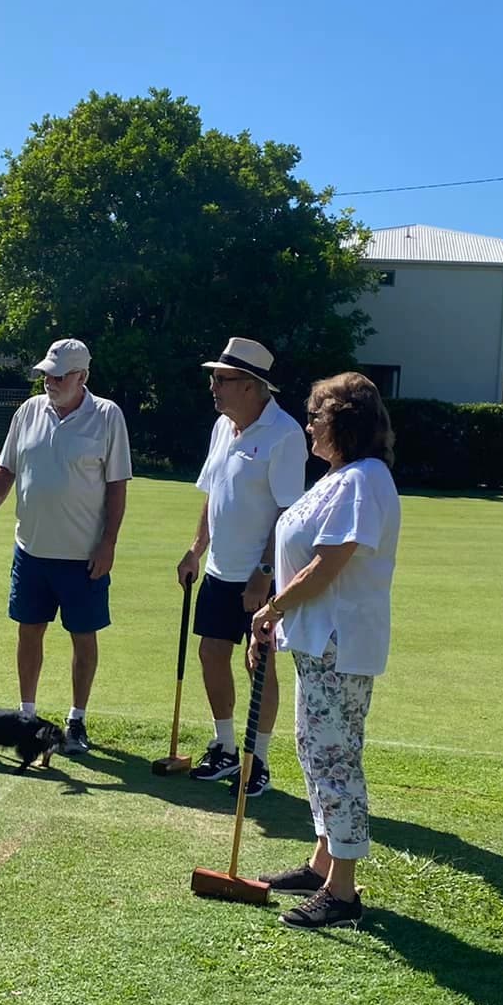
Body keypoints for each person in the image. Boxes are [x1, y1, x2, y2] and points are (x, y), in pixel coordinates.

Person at [248, 372, 401, 930]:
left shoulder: (363, 480)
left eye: (317, 415)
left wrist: (271, 608)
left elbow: (328, 563)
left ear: (346, 422)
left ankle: (342, 890)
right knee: (316, 751)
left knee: (335, 759)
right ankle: (322, 863)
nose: (309, 423)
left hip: (339, 642)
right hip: (317, 641)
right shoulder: (339, 477)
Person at [0, 338, 133, 754]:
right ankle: (27, 716)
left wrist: (108, 543)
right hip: (32, 549)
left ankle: (76, 721)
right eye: (46, 375)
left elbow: (116, 487)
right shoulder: (28, 412)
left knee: (83, 637)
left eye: (59, 376)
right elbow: (6, 470)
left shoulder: (108, 416)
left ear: (83, 377)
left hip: (83, 555)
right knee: (29, 631)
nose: (50, 382)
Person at [178, 338, 308, 799]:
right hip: (218, 570)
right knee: (211, 654)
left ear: (252, 386)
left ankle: (259, 760)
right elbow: (213, 492)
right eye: (213, 377)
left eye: (222, 378)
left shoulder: (286, 434)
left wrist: (265, 572)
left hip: (260, 577)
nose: (213, 386)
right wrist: (196, 549)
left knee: (260, 666)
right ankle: (227, 747)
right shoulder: (222, 426)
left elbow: (288, 514)